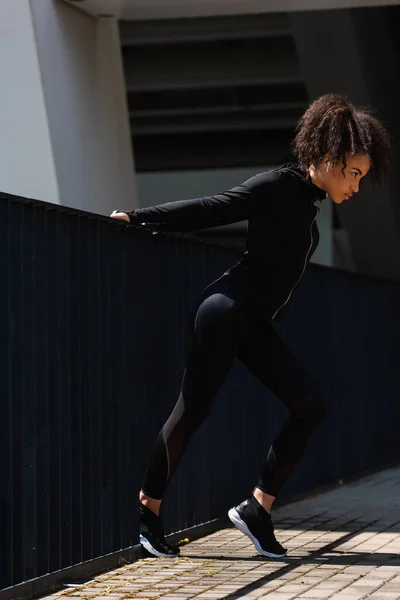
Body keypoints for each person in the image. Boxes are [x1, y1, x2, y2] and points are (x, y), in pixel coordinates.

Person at [111, 94, 391, 559]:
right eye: (355, 174)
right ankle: (147, 516)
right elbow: (211, 207)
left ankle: (256, 510)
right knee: (192, 412)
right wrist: (140, 218)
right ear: (327, 159)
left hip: (252, 322)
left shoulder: (308, 202)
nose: (357, 186)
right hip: (224, 312)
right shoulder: (277, 186)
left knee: (311, 405)